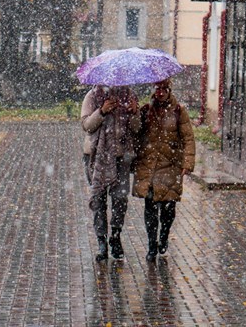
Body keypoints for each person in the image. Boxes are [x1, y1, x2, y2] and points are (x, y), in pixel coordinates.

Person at [132, 78, 195, 262]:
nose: (160, 92)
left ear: (169, 90)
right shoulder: (146, 110)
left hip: (170, 167)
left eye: (163, 89)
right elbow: (136, 131)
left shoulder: (178, 111)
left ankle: (164, 237)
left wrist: (187, 163)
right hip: (149, 166)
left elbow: (188, 138)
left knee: (168, 209)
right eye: (157, 88)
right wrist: (135, 113)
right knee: (150, 208)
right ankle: (152, 245)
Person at [81, 85, 140, 262]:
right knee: (98, 199)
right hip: (95, 156)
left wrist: (134, 113)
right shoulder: (92, 96)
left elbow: (137, 128)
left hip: (121, 157)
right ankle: (101, 241)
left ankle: (115, 235)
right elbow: (87, 126)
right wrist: (102, 111)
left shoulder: (129, 94)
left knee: (120, 199)